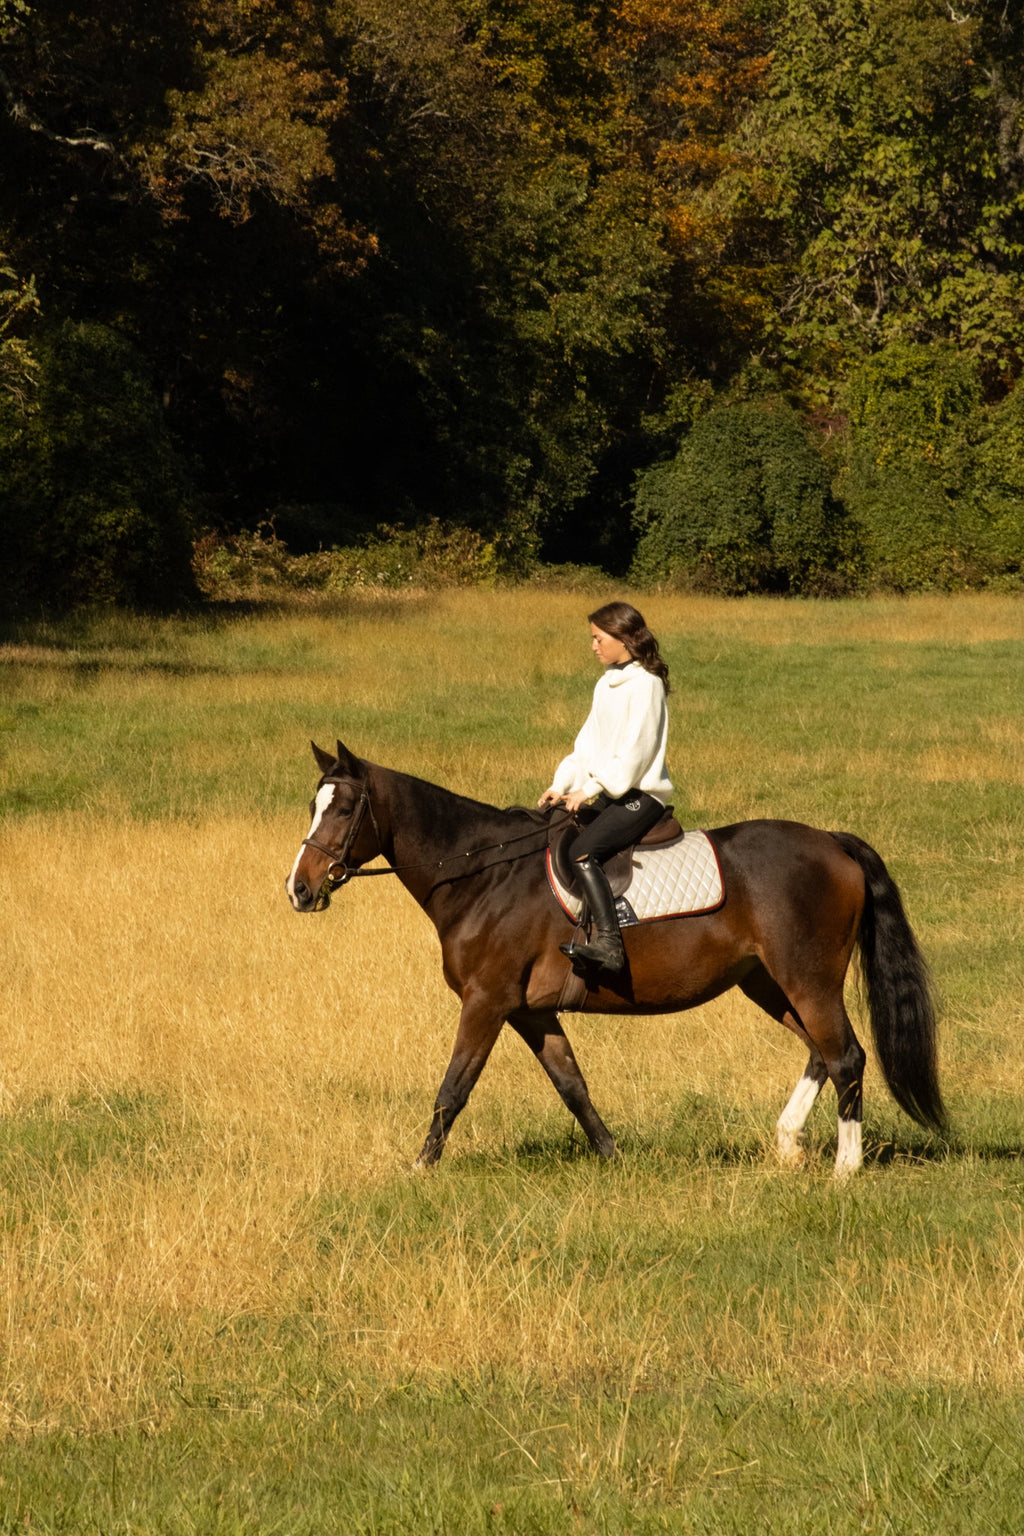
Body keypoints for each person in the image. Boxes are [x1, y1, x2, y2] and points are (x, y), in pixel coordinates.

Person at [538, 601, 672, 972]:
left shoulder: (646, 685)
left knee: (583, 851)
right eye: (592, 639)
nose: (593, 646)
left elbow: (636, 753)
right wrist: (561, 784)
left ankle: (610, 946)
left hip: (640, 796)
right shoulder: (606, 685)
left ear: (624, 639)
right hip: (610, 792)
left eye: (599, 638)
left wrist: (591, 789)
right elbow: (588, 746)